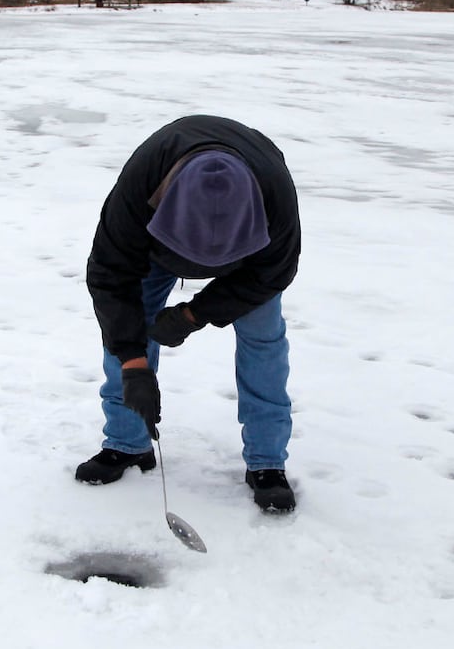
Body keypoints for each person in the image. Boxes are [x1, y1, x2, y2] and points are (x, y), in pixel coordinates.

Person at [78, 115, 302, 513]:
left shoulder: (275, 196)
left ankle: (267, 462)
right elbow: (111, 278)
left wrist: (194, 314)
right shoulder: (140, 184)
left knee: (263, 338)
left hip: (249, 258)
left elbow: (270, 276)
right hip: (154, 250)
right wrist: (133, 361)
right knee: (128, 326)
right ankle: (127, 443)